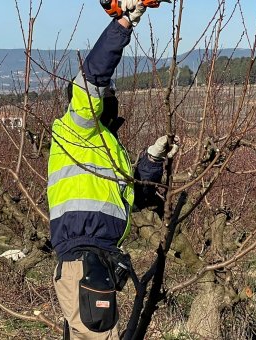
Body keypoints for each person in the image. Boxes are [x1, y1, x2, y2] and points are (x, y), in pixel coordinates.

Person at [47, 2, 178, 339]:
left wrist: (152, 160)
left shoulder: (106, 146)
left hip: (99, 261)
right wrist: (124, 24)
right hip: (84, 259)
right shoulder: (76, 129)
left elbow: (136, 197)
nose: (112, 99)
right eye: (108, 95)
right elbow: (94, 75)